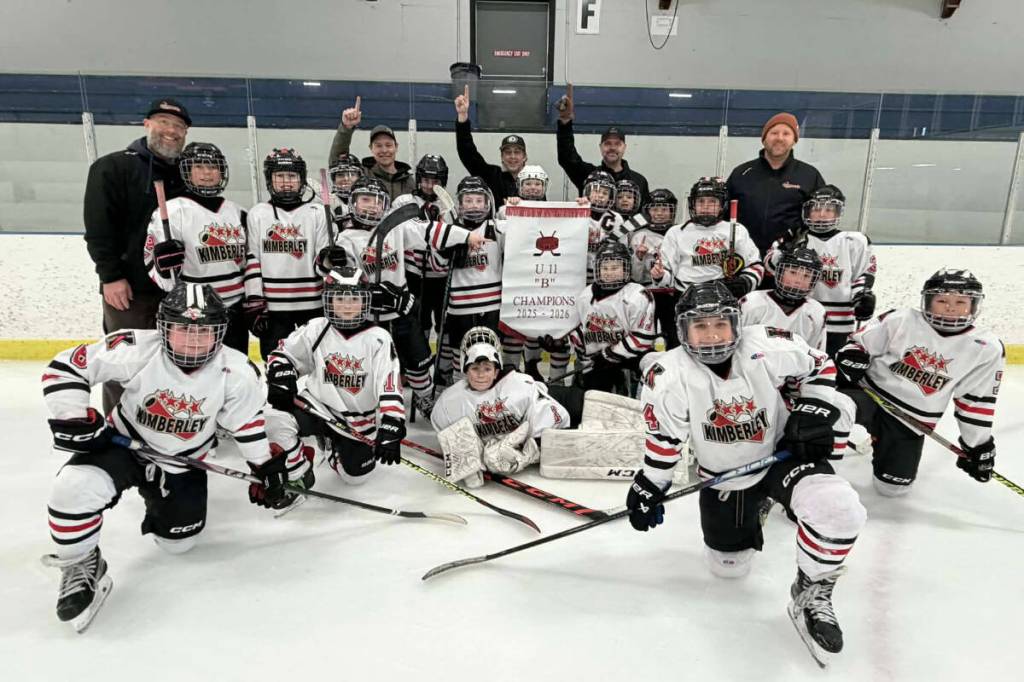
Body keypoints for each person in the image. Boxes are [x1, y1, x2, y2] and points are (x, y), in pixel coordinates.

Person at [626, 281, 866, 664]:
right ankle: (759, 508)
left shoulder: (767, 344)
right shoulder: (667, 374)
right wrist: (649, 485)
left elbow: (820, 363)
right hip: (726, 474)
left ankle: (812, 588)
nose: (712, 335)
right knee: (729, 569)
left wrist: (813, 407)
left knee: (839, 508)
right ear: (682, 330)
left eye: (720, 325)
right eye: (700, 327)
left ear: (737, 324)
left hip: (781, 454)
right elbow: (665, 439)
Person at [40, 282, 302, 632]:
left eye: (204, 331)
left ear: (220, 333)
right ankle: (81, 561)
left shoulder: (237, 371)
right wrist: (74, 417)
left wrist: (264, 466)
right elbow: (66, 366)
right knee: (73, 487)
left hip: (183, 461)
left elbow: (247, 424)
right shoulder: (136, 348)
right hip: (123, 444)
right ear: (163, 327)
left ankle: (163, 505)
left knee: (179, 543)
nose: (193, 341)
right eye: (183, 329)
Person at [834, 269, 1004, 497]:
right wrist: (852, 355)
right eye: (942, 301)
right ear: (928, 301)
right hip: (868, 395)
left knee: (893, 489)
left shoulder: (985, 348)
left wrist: (978, 446)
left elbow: (975, 401)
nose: (950, 308)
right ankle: (817, 472)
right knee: (834, 408)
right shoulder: (902, 319)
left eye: (960, 302)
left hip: (909, 420)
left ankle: (882, 445)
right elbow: (859, 343)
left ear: (974, 306)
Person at [331, 176, 488, 416]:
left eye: (377, 201)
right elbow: (339, 278)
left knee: (418, 361)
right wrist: (328, 261)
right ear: (353, 203)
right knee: (367, 362)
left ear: (385, 205)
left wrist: (466, 236)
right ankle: (367, 402)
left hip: (401, 310)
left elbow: (430, 231)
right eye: (365, 200)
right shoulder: (345, 238)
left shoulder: (396, 227)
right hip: (367, 317)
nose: (372, 206)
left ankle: (424, 398)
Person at [84, 98, 191, 414]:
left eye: (178, 126)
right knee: (124, 362)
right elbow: (98, 228)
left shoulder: (185, 173)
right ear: (146, 124)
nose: (171, 131)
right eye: (163, 122)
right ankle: (119, 428)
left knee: (177, 363)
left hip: (178, 292)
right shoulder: (113, 167)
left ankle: (164, 425)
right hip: (131, 291)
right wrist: (111, 276)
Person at [263, 267, 406, 484]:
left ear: (365, 301)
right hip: (317, 407)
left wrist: (391, 422)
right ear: (328, 300)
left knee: (355, 478)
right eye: (340, 298)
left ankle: (332, 446)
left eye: (354, 299)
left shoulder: (379, 338)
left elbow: (389, 383)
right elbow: (283, 354)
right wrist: (281, 375)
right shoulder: (317, 328)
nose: (347, 305)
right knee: (275, 420)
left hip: (357, 422)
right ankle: (298, 471)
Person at [144, 142, 251, 355]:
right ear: (187, 171)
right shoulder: (173, 211)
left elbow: (250, 261)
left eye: (212, 167)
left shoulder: (238, 212)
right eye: (199, 166)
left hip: (235, 311)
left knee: (235, 368)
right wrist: (163, 267)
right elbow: (155, 268)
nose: (206, 173)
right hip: (193, 314)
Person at [432, 327, 570, 488]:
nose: (481, 375)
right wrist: (470, 457)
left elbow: (557, 418)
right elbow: (448, 438)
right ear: (465, 370)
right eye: (475, 368)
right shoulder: (448, 402)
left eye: (487, 369)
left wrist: (528, 453)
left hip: (559, 397)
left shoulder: (519, 385)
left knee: (581, 401)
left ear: (497, 371)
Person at [765, 185, 877, 356]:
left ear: (839, 212)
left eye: (829, 210)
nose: (822, 214)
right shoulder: (797, 238)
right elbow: (771, 267)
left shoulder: (854, 241)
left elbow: (863, 274)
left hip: (840, 323)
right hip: (802, 318)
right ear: (806, 212)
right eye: (816, 209)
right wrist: (784, 251)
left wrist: (862, 297)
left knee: (831, 366)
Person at [244, 148, 331, 359]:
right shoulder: (258, 213)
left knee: (317, 361)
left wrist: (331, 258)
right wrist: (255, 301)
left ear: (301, 180)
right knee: (275, 362)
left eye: (292, 176)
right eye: (280, 176)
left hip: (313, 305)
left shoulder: (317, 212)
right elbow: (252, 260)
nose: (286, 182)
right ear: (269, 179)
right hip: (274, 308)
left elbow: (322, 261)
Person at [429, 177, 505, 387]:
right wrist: (449, 247)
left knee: (490, 355)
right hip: (460, 307)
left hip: (492, 306)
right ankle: (459, 393)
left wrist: (513, 208)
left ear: (487, 203)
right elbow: (436, 266)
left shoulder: (497, 228)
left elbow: (523, 234)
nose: (474, 205)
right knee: (460, 355)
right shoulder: (451, 230)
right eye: (469, 200)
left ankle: (489, 396)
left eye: (479, 200)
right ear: (460, 204)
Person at [726, 112, 826, 254]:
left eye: (786, 134)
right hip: (743, 256)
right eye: (774, 133)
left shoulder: (809, 175)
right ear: (764, 139)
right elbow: (723, 215)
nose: (779, 138)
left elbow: (820, 218)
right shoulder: (741, 173)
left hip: (790, 258)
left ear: (794, 140)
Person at [650, 176, 764, 300]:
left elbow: (756, 265)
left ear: (721, 205)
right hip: (686, 297)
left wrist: (745, 282)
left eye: (712, 201)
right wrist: (660, 276)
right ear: (693, 204)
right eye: (700, 201)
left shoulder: (736, 230)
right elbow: (666, 275)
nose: (706, 206)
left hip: (723, 297)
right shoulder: (676, 232)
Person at [569, 240, 657, 394]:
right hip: (597, 362)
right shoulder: (585, 295)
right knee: (592, 399)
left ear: (626, 268)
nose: (609, 272)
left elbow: (642, 340)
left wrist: (610, 355)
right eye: (604, 268)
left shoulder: (638, 295)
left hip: (631, 360)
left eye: (615, 268)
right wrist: (561, 342)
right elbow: (582, 332)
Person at [393, 154, 455, 349]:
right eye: (426, 180)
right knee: (419, 320)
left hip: (440, 276)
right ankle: (421, 358)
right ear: (419, 179)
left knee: (445, 322)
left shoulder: (447, 205)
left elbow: (452, 238)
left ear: (443, 182)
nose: (429, 186)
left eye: (435, 181)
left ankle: (443, 364)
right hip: (412, 274)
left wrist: (441, 221)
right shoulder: (404, 201)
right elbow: (396, 231)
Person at [555, 86, 649, 200]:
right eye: (607, 143)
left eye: (617, 144)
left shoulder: (639, 181)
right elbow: (567, 158)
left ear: (624, 147)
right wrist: (565, 122)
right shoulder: (588, 175)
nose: (612, 148)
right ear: (601, 147)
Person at [740, 247, 827, 352]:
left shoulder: (816, 311)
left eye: (806, 276)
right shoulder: (752, 302)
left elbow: (816, 355)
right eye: (793, 272)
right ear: (779, 272)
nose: (798, 280)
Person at [328, 96, 414, 199]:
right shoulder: (363, 175)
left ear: (396, 147)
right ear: (371, 148)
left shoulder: (408, 181)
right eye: (378, 145)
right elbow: (337, 161)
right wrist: (346, 128)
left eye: (388, 145)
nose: (384, 150)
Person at [453, 85, 526, 205]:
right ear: (502, 157)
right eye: (508, 152)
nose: (512, 156)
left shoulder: (535, 180)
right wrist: (463, 116)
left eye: (517, 152)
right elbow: (468, 154)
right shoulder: (492, 175)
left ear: (524, 157)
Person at [628, 188, 680, 348]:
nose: (659, 213)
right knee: (645, 337)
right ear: (647, 211)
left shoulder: (679, 233)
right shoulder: (638, 236)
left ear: (672, 211)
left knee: (673, 336)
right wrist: (638, 258)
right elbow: (636, 277)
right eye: (655, 209)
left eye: (664, 209)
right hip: (647, 295)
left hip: (672, 294)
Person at [582, 170, 626, 283]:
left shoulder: (616, 219)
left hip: (605, 277)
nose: (601, 195)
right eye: (596, 191)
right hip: (577, 273)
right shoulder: (577, 213)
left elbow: (622, 250)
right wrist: (575, 208)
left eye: (605, 193)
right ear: (587, 192)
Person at [328, 153, 364, 222]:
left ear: (359, 177)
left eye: (352, 174)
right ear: (334, 179)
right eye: (340, 175)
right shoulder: (328, 202)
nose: (346, 179)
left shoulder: (368, 200)